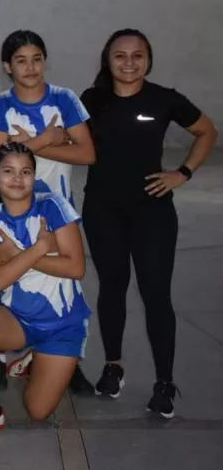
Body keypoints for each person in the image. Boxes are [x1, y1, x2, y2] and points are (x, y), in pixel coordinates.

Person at [81, 29, 218, 417]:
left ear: (148, 59)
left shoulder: (163, 99)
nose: (128, 62)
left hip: (152, 212)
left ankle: (164, 383)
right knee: (112, 286)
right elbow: (67, 138)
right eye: (120, 55)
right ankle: (113, 366)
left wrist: (183, 173)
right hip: (103, 209)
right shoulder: (92, 100)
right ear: (108, 60)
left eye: (137, 55)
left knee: (155, 293)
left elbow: (207, 130)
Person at [0, 143, 91, 441]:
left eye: (26, 172)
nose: (17, 179)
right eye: (8, 171)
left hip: (63, 327)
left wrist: (16, 254)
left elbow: (76, 268)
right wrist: (40, 248)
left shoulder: (53, 206)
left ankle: (35, 358)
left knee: (37, 411)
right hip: (17, 319)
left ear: (35, 175)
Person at [0, 29, 96, 393]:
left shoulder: (64, 99)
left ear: (45, 61)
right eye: (21, 60)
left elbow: (86, 153)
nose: (30, 67)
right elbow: (1, 160)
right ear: (8, 66)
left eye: (36, 58)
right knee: (9, 273)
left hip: (55, 208)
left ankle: (66, 357)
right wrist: (48, 140)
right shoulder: (1, 104)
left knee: (66, 280)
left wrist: (39, 147)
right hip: (13, 207)